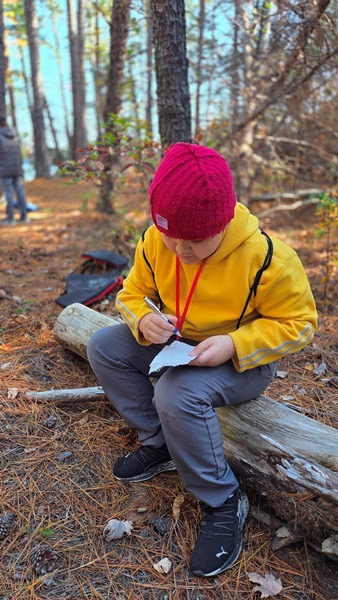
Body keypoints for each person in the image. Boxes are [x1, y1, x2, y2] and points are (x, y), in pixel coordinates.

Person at [87, 143, 317, 577]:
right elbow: (132, 293)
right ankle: (159, 444)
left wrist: (234, 344)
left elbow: (300, 323)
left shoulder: (267, 259)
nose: (180, 251)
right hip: (179, 340)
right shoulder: (158, 241)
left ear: (224, 222)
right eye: (169, 235)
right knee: (104, 345)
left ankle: (223, 498)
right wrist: (142, 321)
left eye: (194, 241)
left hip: (240, 361)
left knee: (176, 393)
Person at [0, 117, 29, 225]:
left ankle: (10, 218)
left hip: (4, 169)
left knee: (8, 193)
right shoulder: (15, 136)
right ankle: (24, 216)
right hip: (16, 168)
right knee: (20, 192)